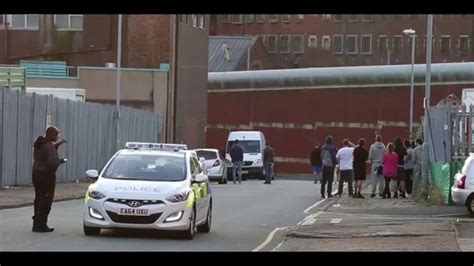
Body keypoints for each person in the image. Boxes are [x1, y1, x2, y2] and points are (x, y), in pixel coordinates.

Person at [32, 126, 67, 232]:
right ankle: (42, 225)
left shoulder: (40, 144)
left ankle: (36, 224)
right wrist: (61, 160)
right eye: (56, 135)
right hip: (46, 175)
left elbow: (45, 153)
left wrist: (57, 145)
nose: (57, 137)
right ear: (50, 134)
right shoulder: (48, 146)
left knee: (39, 198)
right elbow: (51, 162)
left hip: (36, 174)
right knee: (46, 200)